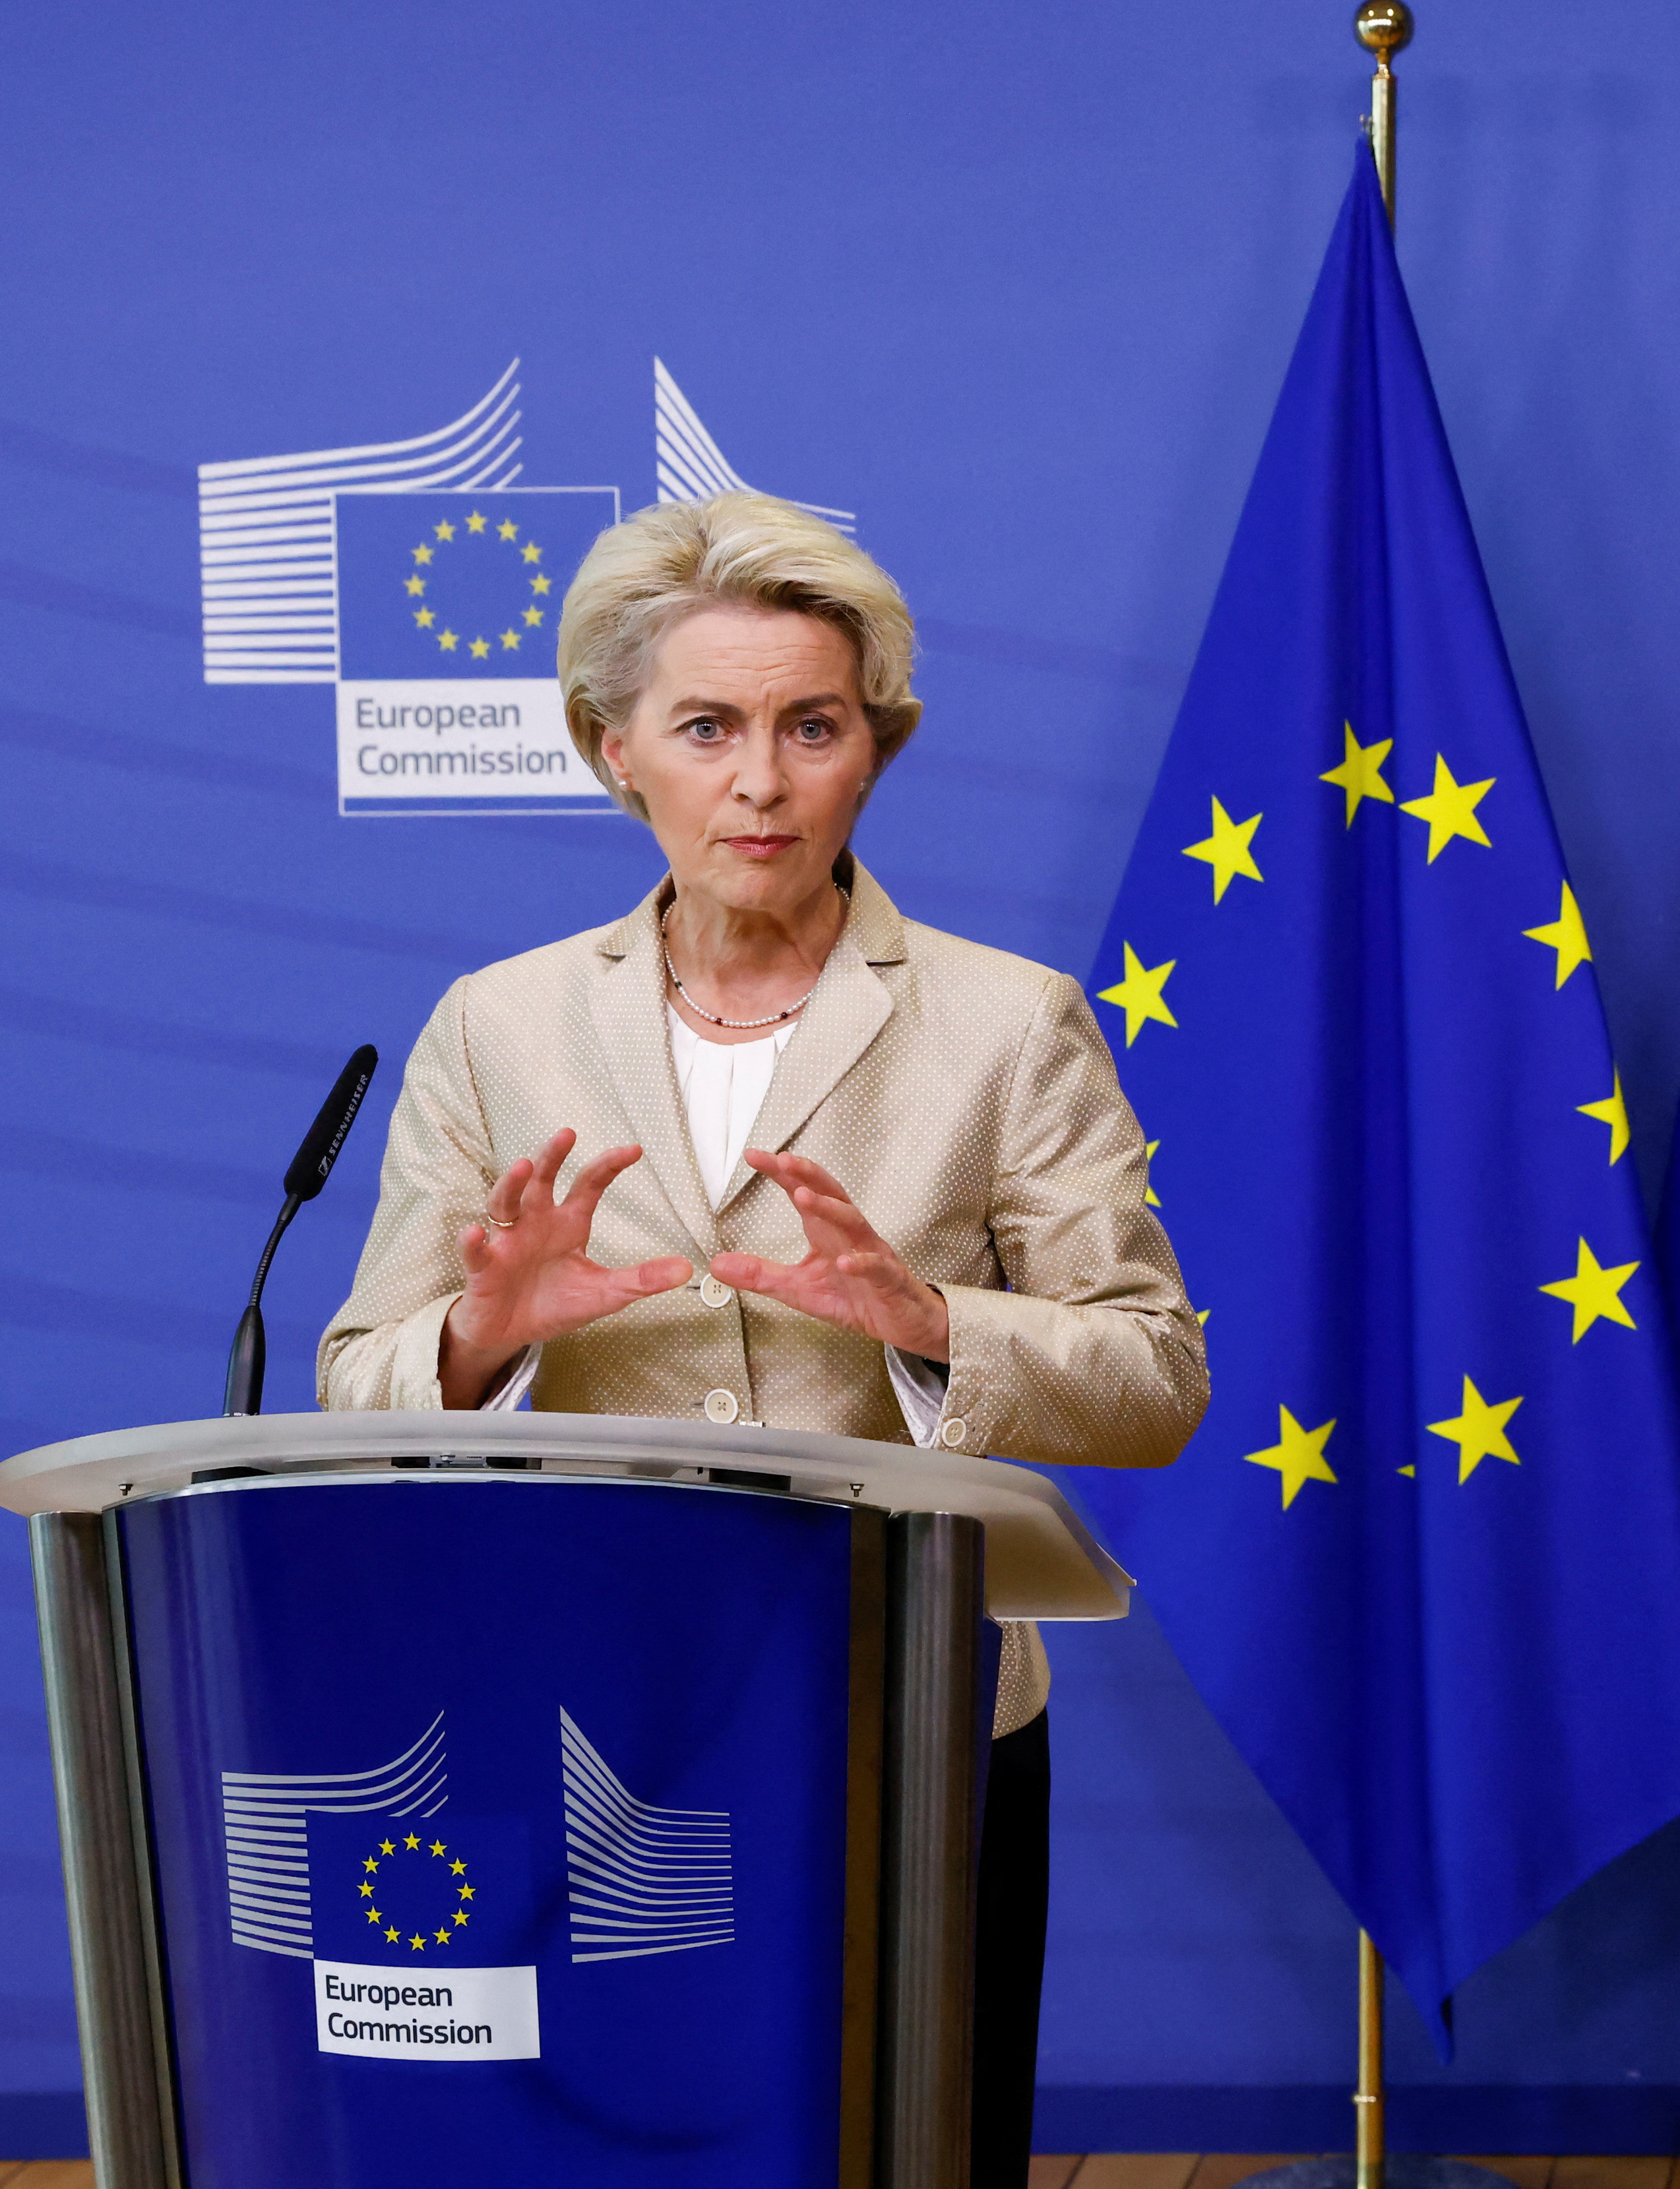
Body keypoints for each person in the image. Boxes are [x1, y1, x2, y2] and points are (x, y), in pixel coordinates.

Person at [319, 492, 1207, 2184]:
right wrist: (477, 1337)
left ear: (875, 750)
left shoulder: (1005, 1022)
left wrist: (929, 1321)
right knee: (613, 2146)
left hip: (914, 1709)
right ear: (612, 749)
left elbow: (1155, 1380)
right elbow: (356, 1374)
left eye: (814, 726)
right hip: (581, 1710)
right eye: (707, 727)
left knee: (915, 2136)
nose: (762, 779)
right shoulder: (497, 1024)